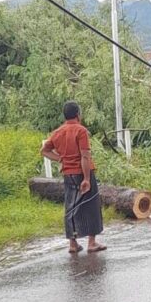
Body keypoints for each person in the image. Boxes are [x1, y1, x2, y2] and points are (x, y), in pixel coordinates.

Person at [41, 101, 106, 254]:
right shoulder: (80, 131)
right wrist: (86, 179)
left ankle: (73, 244)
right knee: (91, 207)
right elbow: (85, 156)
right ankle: (92, 242)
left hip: (68, 174)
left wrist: (61, 159)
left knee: (71, 207)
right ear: (78, 114)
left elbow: (44, 151)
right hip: (82, 172)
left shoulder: (57, 132)